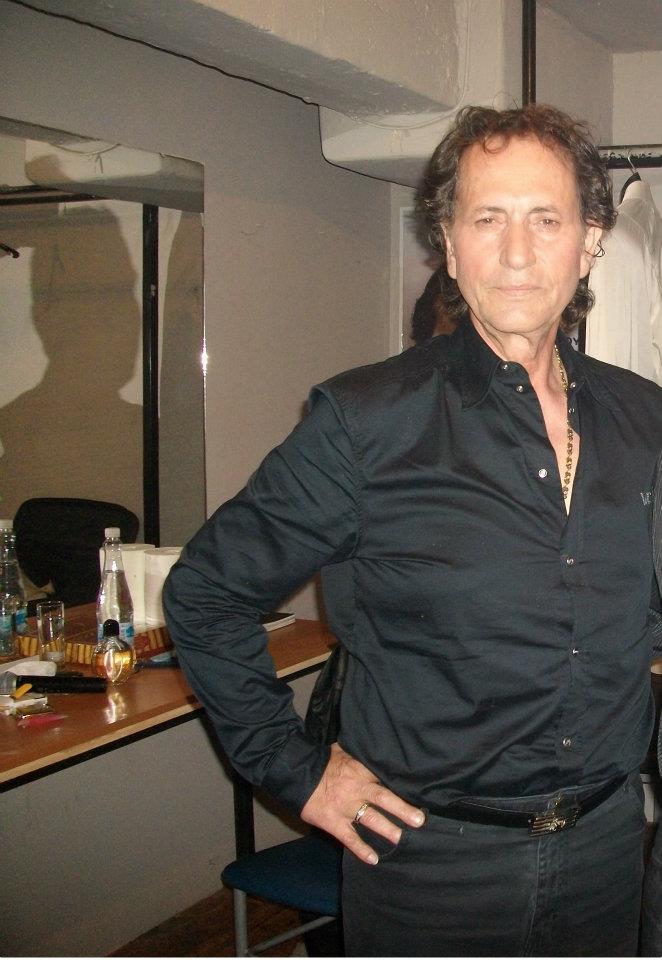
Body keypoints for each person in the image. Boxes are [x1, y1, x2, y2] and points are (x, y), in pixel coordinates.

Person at [163, 104, 662, 956]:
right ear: (450, 245)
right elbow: (206, 594)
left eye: (545, 219)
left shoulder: (644, 417)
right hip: (432, 867)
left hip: (609, 850)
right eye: (487, 218)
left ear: (589, 242)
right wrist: (299, 772)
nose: (516, 252)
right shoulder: (367, 420)